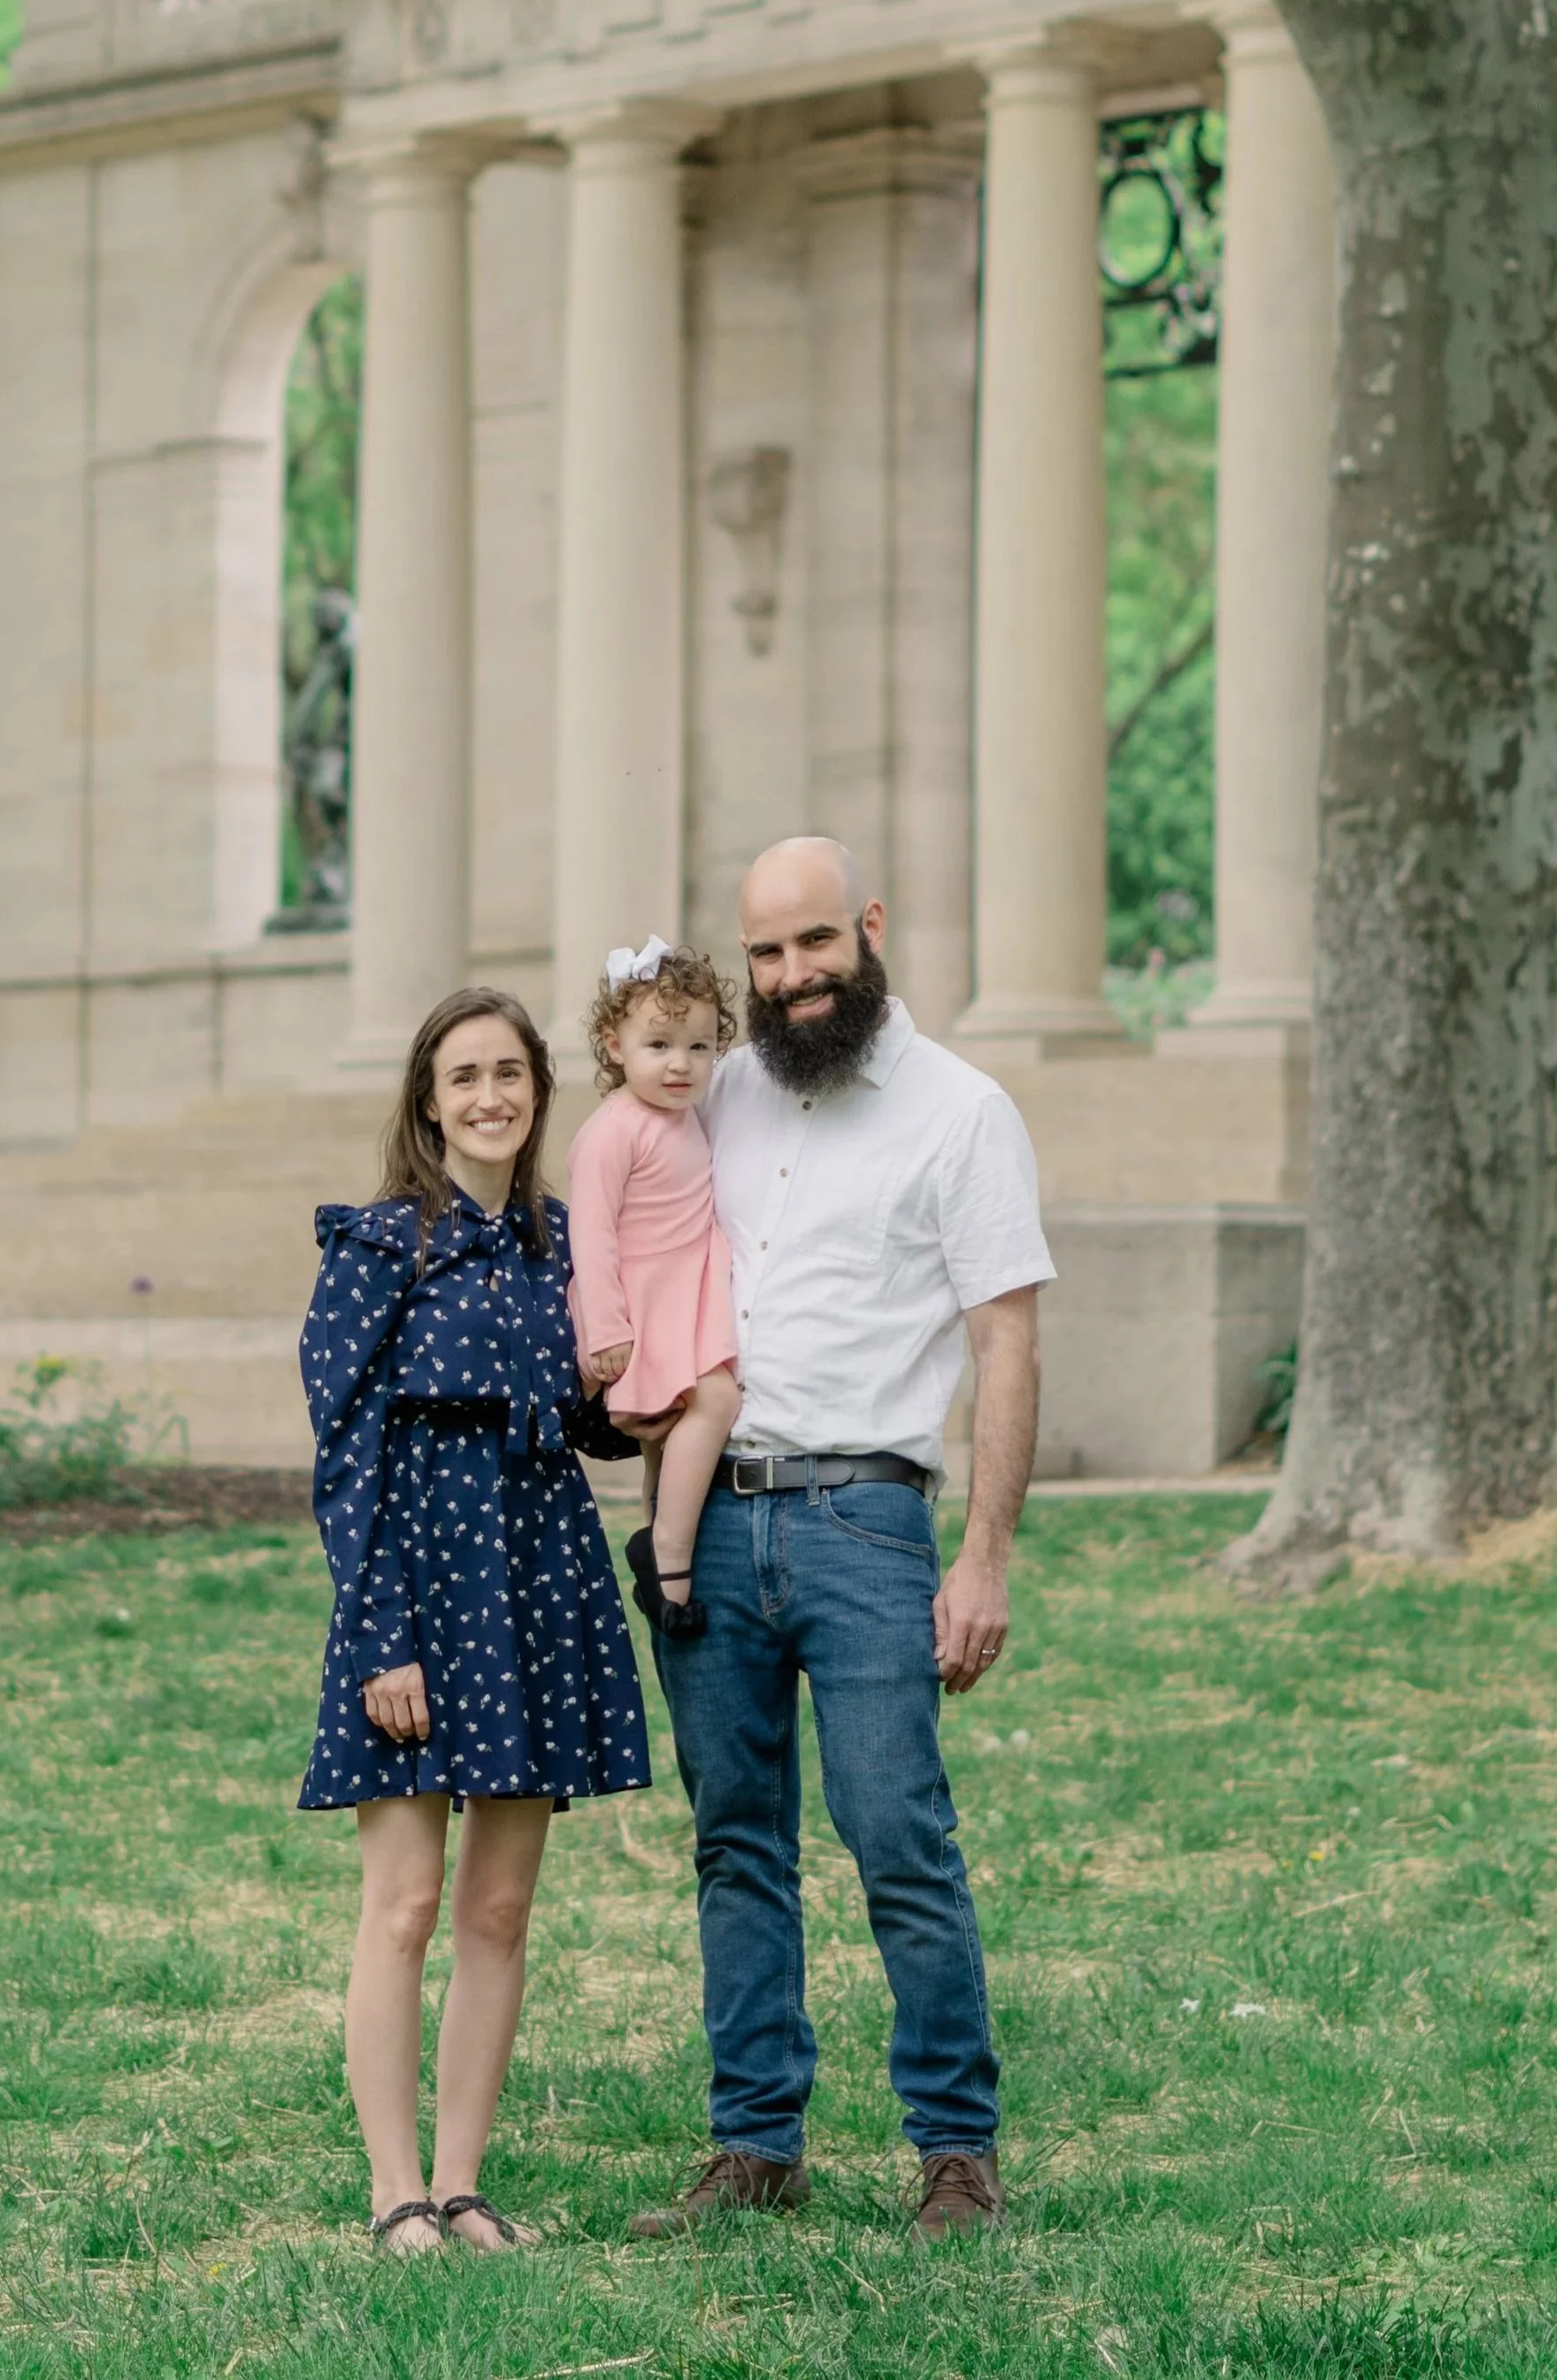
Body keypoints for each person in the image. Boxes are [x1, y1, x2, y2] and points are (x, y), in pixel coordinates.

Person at [630, 836, 1055, 2247]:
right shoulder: (724, 1093)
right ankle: (758, 2142)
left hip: (869, 1522)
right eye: (765, 953)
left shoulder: (962, 1110)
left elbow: (1007, 1339)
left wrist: (983, 1554)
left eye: (814, 943)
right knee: (733, 1843)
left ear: (869, 929)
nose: (792, 977)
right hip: (714, 1520)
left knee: (899, 1842)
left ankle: (955, 2151)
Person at [299, 987, 652, 2255]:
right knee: (403, 1902)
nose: (491, 1096)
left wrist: (627, 1395)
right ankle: (394, 2190)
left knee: (498, 1910)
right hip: (417, 1588)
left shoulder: (568, 1245)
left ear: (538, 1093)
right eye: (466, 1078)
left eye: (511, 1073)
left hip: (538, 1580)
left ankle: (462, 2180)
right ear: (429, 1101)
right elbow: (345, 1452)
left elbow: (584, 1420)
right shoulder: (382, 1245)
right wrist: (381, 1630)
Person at [566, 936, 741, 1633]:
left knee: (668, 1441)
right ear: (615, 1045)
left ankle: (658, 1558)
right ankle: (670, 1554)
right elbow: (592, 1232)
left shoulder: (687, 1117)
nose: (681, 1063)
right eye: (660, 1044)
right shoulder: (615, 1128)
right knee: (715, 1397)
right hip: (642, 1299)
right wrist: (605, 1328)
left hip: (686, 1285)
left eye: (699, 1047)